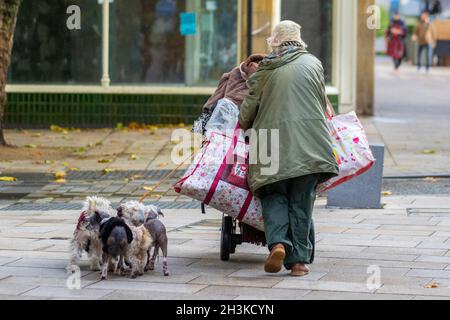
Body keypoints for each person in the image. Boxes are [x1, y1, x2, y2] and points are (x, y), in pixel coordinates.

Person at [238, 21, 339, 277]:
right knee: (302, 200)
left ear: (275, 42)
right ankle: (299, 263)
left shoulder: (265, 69)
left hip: (269, 144)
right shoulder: (314, 63)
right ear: (298, 39)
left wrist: (243, 121)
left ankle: (279, 244)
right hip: (311, 143)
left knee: (273, 195)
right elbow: (320, 102)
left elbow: (247, 112)